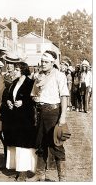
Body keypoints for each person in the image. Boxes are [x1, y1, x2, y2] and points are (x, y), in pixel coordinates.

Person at [30, 50, 69, 182]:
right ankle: (40, 174)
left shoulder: (60, 76)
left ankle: (61, 178)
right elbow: (34, 93)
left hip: (53, 113)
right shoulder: (39, 76)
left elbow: (64, 97)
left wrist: (62, 117)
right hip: (40, 112)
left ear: (53, 63)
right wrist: (35, 97)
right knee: (40, 144)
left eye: (46, 62)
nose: (43, 64)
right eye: (42, 61)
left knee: (56, 145)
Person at [3, 62, 36, 181]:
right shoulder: (14, 83)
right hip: (14, 117)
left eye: (16, 69)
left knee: (24, 144)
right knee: (16, 143)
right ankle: (17, 168)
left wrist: (23, 102)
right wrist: (8, 102)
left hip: (25, 119)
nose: (14, 71)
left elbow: (34, 100)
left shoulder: (30, 83)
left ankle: (24, 171)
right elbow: (9, 96)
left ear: (23, 70)